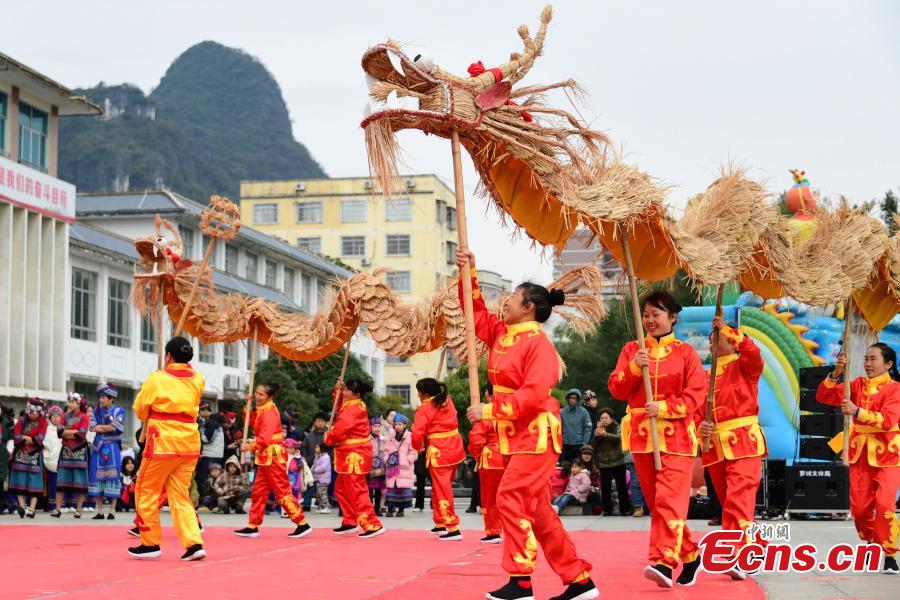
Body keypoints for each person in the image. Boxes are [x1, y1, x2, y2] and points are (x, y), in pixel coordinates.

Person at [459, 249, 597, 600]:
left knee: (509, 496)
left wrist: (490, 412)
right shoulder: (502, 334)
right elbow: (475, 316)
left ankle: (520, 581)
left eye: (512, 299)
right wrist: (468, 274)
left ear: (529, 307)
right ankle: (579, 580)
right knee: (538, 512)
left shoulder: (540, 346)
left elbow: (535, 395)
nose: (505, 303)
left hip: (536, 435)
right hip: (514, 435)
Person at [608, 290, 706, 588]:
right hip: (642, 437)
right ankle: (690, 554)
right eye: (646, 315)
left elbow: (696, 395)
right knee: (657, 503)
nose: (650, 320)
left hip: (676, 438)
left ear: (672, 317)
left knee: (669, 501)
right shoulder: (631, 350)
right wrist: (635, 367)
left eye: (657, 314)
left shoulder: (686, 353)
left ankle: (663, 561)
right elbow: (616, 389)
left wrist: (664, 407)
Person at [817, 342, 900, 575]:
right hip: (860, 454)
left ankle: (890, 553)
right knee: (861, 510)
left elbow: (888, 420)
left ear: (888, 364)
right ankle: (872, 543)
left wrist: (858, 412)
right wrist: (836, 373)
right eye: (866, 358)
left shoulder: (895, 389)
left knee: (885, 505)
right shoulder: (856, 385)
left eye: (873, 359)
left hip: (888, 454)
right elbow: (824, 396)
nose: (867, 363)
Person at [699, 317, 767, 579]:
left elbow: (753, 353)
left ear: (731, 340)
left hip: (744, 442)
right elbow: (695, 411)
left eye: (718, 338)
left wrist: (727, 328)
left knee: (738, 500)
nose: (713, 343)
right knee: (731, 503)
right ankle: (758, 546)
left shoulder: (745, 366)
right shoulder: (704, 376)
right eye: (711, 340)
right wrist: (699, 428)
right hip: (715, 446)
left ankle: (741, 555)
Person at [128, 336, 207, 561]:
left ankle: (150, 542)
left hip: (163, 441)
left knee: (145, 491)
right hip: (189, 442)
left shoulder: (157, 378)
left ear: (168, 356)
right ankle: (194, 543)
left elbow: (140, 408)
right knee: (180, 495)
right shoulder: (198, 379)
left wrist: (149, 412)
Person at [233, 383, 311, 539]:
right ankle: (253, 525)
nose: (257, 396)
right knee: (258, 492)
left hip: (273, 457)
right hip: (265, 458)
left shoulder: (269, 412)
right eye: (256, 393)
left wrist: (248, 446)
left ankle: (302, 523)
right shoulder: (263, 410)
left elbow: (265, 438)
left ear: (270, 396)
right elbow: (254, 424)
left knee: (282, 492)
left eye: (261, 394)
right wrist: (247, 408)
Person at [324, 379, 384, 538]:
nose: (344, 392)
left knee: (357, 490)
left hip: (354, 455)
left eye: (347, 390)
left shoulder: (353, 409)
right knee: (341, 488)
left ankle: (372, 524)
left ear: (356, 394)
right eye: (344, 389)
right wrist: (337, 391)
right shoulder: (352, 404)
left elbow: (340, 430)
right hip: (350, 454)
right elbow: (339, 405)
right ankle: (350, 521)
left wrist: (328, 437)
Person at [411, 377, 465, 540]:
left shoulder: (425, 409)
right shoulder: (447, 400)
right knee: (440, 486)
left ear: (424, 393)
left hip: (439, 451)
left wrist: (417, 446)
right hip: (454, 448)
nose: (418, 395)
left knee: (442, 488)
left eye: (419, 392)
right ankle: (440, 522)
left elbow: (417, 432)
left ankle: (453, 527)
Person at [468, 382, 507, 543]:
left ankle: (493, 531)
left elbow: (476, 439)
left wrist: (477, 457)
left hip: (491, 460)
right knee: (510, 496)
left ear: (487, 393)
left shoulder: (484, 412)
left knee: (490, 497)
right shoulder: (509, 408)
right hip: (511, 458)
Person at [89, 383, 125, 520]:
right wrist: (107, 427)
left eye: (104, 397)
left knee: (113, 477)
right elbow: (92, 427)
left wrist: (101, 427)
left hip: (112, 448)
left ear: (111, 399)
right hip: (98, 447)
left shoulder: (119, 411)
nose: (101, 400)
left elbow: (116, 427)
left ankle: (112, 510)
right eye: (100, 397)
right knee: (97, 477)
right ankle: (100, 511)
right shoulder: (96, 412)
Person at [10, 398, 48, 518]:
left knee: (35, 481)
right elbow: (16, 438)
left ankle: (31, 508)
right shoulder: (21, 420)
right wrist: (32, 439)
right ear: (27, 410)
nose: (32, 414)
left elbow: (40, 438)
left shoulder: (43, 422)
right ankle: (21, 506)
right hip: (21, 453)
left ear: (39, 412)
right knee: (20, 480)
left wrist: (26, 437)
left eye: (35, 412)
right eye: (30, 412)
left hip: (35, 454)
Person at [53, 394, 90, 519]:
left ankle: (78, 510)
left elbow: (82, 434)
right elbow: (59, 432)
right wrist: (75, 431)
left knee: (80, 483)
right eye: (69, 401)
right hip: (66, 452)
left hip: (80, 453)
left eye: (73, 402)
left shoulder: (84, 417)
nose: (70, 404)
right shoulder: (64, 416)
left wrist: (66, 432)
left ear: (79, 403)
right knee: (61, 482)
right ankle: (57, 509)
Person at [591, 408, 630, 516]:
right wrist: (596, 435)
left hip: (618, 461)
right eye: (602, 418)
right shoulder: (599, 429)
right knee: (605, 487)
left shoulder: (617, 427)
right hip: (604, 462)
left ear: (611, 418)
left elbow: (619, 438)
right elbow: (593, 446)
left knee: (621, 486)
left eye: (606, 418)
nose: (604, 419)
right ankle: (607, 510)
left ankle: (625, 509)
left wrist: (606, 435)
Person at [384, 413, 417, 518]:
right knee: (392, 488)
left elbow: (414, 452)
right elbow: (386, 450)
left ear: (404, 425)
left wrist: (407, 460)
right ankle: (390, 510)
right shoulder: (391, 437)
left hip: (404, 468)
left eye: (399, 424)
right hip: (392, 466)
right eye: (396, 424)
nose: (397, 426)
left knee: (402, 488)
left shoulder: (410, 437)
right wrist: (386, 459)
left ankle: (401, 510)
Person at [300, 412, 329, 511]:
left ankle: (322, 504)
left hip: (324, 466)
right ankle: (306, 504)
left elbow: (333, 449)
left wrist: (331, 460)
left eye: (322, 421)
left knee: (322, 487)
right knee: (309, 485)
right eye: (318, 421)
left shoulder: (328, 436)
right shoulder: (309, 436)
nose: (319, 423)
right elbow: (303, 447)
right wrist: (306, 459)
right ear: (314, 423)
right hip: (310, 464)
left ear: (326, 423)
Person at [560, 389, 592, 463]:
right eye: (571, 398)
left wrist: (585, 442)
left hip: (579, 444)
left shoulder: (583, 412)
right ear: (568, 398)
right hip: (565, 444)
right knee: (565, 466)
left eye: (575, 398)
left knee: (578, 466)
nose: (573, 400)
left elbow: (588, 428)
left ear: (578, 399)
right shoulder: (562, 412)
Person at [43, 405, 64, 512]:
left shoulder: (63, 428)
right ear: (50, 417)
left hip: (61, 460)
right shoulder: (47, 429)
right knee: (52, 484)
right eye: (54, 416)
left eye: (58, 416)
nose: (56, 418)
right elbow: (45, 443)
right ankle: (52, 505)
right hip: (50, 461)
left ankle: (61, 505)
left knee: (62, 484)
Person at [199, 406, 224, 489]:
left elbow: (207, 439)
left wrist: (201, 433)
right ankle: (215, 493)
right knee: (216, 476)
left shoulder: (212, 423)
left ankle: (206, 495)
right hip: (218, 454)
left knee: (207, 476)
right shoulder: (219, 425)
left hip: (210, 454)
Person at [368, 417, 387, 516]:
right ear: (370, 427)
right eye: (375, 426)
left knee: (379, 489)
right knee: (370, 489)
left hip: (381, 467)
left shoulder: (383, 438)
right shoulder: (367, 439)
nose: (377, 428)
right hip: (370, 467)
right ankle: (370, 508)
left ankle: (377, 508)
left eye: (379, 426)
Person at [312, 442, 332, 513]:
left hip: (323, 479)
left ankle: (326, 507)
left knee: (322, 494)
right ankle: (321, 507)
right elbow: (315, 464)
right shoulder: (318, 456)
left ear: (322, 448)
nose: (315, 449)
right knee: (319, 494)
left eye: (317, 447)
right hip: (319, 478)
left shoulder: (325, 457)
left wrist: (315, 470)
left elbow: (323, 467)